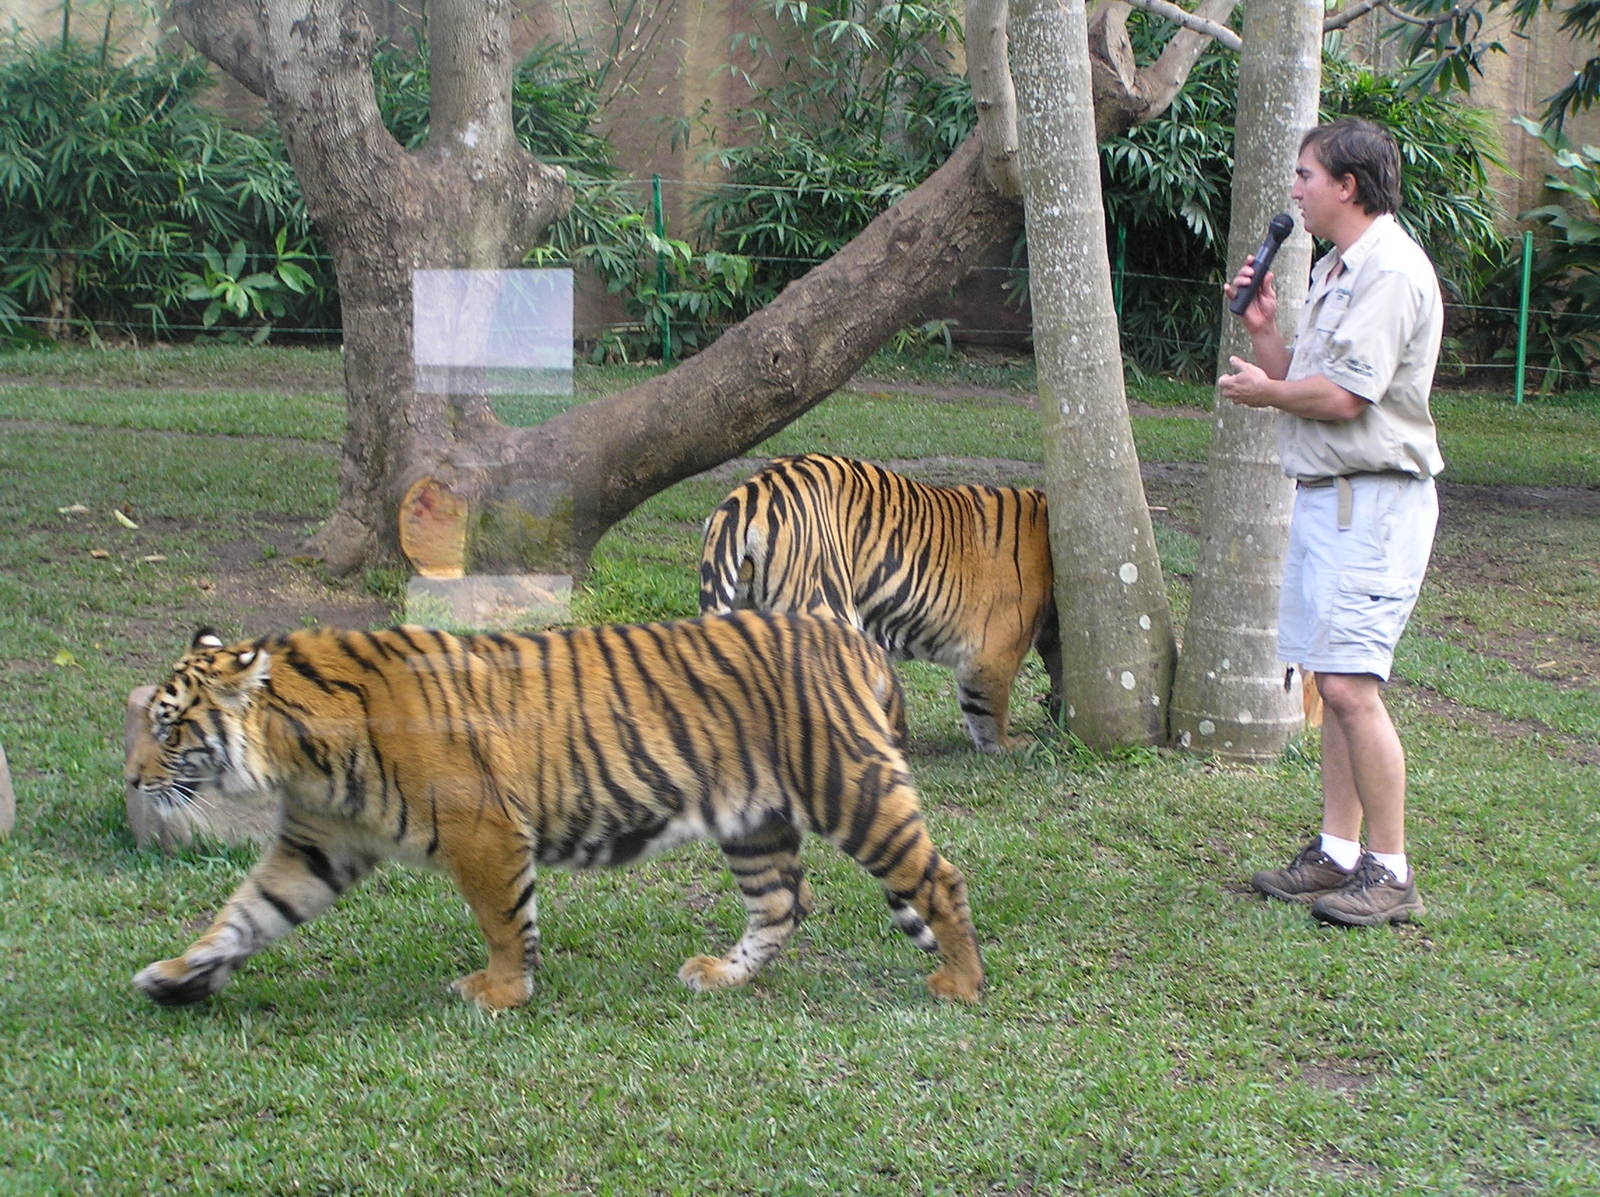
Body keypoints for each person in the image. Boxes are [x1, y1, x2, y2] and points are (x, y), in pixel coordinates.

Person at [1218, 117, 1443, 927]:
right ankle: (1338, 853)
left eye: (1307, 175)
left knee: (1351, 686)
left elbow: (1348, 398)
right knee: (1336, 680)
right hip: (1331, 497)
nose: (1296, 189)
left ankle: (1390, 868)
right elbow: (1308, 377)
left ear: (1347, 185)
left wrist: (1263, 391)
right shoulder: (1339, 267)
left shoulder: (1389, 270)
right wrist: (1267, 337)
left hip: (1375, 503)